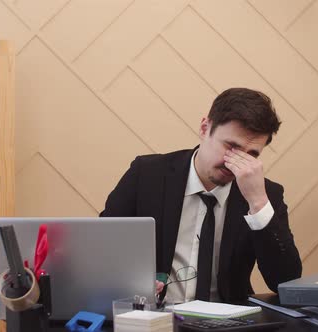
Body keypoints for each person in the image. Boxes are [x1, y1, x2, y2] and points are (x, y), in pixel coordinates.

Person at [100, 87, 302, 304]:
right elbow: (103, 247)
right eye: (231, 146)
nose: (235, 162)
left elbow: (285, 281)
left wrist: (258, 204)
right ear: (205, 128)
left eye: (251, 154)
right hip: (156, 314)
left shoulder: (265, 194)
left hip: (227, 321)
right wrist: (133, 282)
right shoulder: (147, 174)